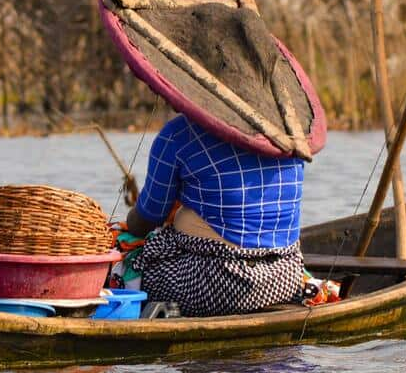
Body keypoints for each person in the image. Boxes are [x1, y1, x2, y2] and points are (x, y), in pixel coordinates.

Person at [120, 113, 312, 316]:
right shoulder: (290, 134)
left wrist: (131, 222)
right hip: (286, 278)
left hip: (220, 284)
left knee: (130, 265)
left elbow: (147, 218)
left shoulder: (179, 133)